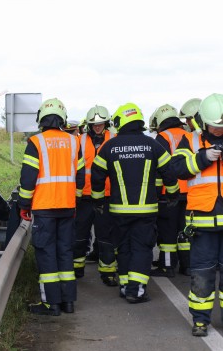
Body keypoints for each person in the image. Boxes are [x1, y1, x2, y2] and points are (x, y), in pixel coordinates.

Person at [91, 103, 179, 303]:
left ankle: (124, 286)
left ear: (120, 121)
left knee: (123, 247)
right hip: (146, 210)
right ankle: (136, 290)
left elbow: (97, 175)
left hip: (118, 210)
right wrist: (173, 194)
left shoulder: (110, 146)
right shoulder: (153, 144)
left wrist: (97, 200)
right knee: (141, 248)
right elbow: (169, 172)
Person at [18, 98, 85, 316]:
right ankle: (68, 302)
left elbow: (28, 179)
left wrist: (24, 205)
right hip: (67, 208)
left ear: (41, 119)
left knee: (47, 254)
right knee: (65, 252)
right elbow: (81, 178)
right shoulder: (74, 142)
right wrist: (74, 200)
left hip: (44, 208)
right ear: (62, 119)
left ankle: (51, 304)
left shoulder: (36, 142)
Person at [171, 93, 223, 337]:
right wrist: (203, 158)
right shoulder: (189, 141)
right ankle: (200, 320)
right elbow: (178, 169)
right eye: (214, 126)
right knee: (202, 275)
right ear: (204, 122)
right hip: (203, 225)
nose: (218, 130)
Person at [72, 105, 118, 286]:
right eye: (94, 124)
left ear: (106, 123)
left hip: (106, 195)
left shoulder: (114, 138)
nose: (97, 127)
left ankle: (107, 273)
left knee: (105, 236)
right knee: (80, 234)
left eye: (100, 124)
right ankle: (77, 268)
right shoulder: (79, 140)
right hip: (84, 195)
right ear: (89, 124)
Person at [148, 104, 190, 277]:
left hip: (169, 193)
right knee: (184, 231)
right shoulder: (189, 135)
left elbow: (160, 169)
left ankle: (167, 266)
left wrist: (156, 193)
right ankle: (187, 265)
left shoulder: (162, 137)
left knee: (167, 233)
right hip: (189, 192)